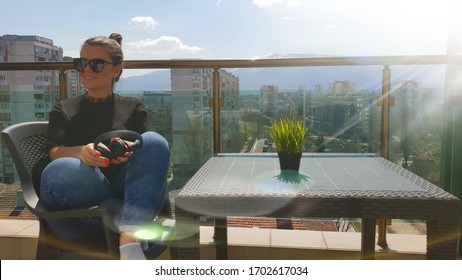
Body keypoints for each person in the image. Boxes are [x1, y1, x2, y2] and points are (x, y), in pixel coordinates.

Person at [40, 33, 170, 260]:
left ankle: (129, 236)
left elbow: (148, 155)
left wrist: (128, 149)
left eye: (97, 64)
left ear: (116, 70)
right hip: (81, 214)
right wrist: (81, 152)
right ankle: (127, 220)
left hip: (129, 194)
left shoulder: (133, 106)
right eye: (81, 63)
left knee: (154, 141)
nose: (86, 70)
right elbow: (54, 151)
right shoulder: (64, 109)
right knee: (59, 169)